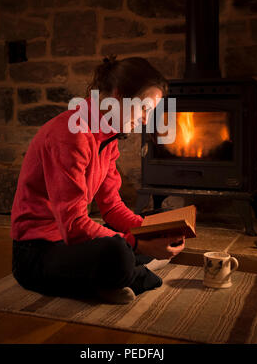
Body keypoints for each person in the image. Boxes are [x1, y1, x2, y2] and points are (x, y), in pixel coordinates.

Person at [11, 55, 185, 304]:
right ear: (118, 96)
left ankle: (115, 278)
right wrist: (140, 246)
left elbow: (112, 207)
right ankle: (122, 278)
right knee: (119, 252)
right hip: (37, 253)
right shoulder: (73, 134)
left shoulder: (108, 136)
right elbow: (74, 226)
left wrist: (151, 233)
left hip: (69, 244)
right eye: (145, 108)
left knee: (137, 238)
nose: (147, 119)